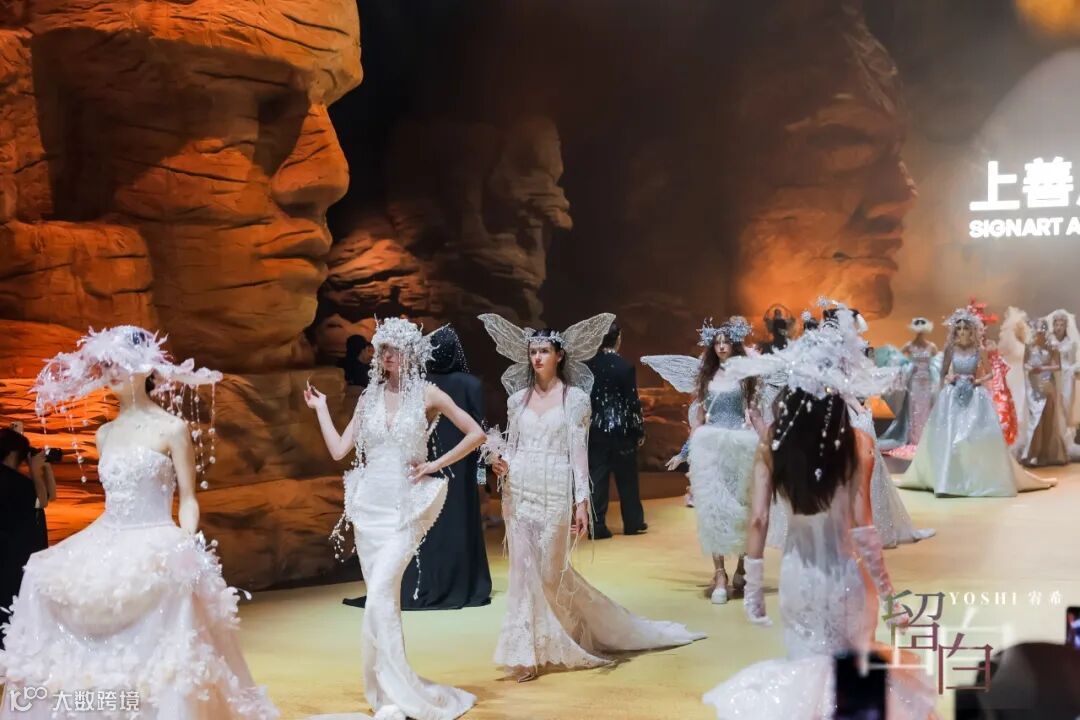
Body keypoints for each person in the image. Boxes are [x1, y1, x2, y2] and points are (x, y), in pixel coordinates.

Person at [0, 326, 277, 719]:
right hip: (108, 533)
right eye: (105, 365)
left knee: (164, 631)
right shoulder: (104, 434)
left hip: (155, 534)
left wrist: (186, 542)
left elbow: (189, 499)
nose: (110, 372)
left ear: (145, 367)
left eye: (120, 363)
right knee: (41, 573)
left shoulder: (172, 428)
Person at [703, 306, 936, 720]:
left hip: (798, 577)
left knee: (805, 668)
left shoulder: (772, 444)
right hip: (845, 576)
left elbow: (758, 520)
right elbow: (864, 528)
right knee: (853, 675)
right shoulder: (857, 444)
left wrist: (754, 589)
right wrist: (889, 596)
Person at [479, 312, 704, 683]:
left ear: (559, 355)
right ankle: (525, 653)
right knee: (522, 573)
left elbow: (578, 453)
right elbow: (513, 445)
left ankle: (586, 628)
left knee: (551, 572)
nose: (537, 357)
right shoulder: (517, 400)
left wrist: (582, 501)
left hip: (555, 487)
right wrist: (500, 462)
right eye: (533, 351)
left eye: (544, 351)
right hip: (519, 490)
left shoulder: (576, 399)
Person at [306, 317, 483, 720]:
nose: (388, 355)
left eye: (396, 348)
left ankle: (400, 690)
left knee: (380, 593)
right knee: (383, 600)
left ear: (411, 352)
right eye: (383, 348)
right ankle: (386, 693)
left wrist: (434, 464)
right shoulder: (368, 396)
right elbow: (339, 450)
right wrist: (321, 409)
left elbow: (475, 432)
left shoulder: (428, 393)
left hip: (405, 508)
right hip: (369, 508)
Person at [644, 316, 761, 604]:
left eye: (726, 342)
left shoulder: (746, 376)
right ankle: (720, 574)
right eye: (717, 342)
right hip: (711, 449)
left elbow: (755, 414)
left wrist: (771, 444)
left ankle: (741, 567)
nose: (721, 347)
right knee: (713, 510)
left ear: (734, 345)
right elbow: (698, 421)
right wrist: (683, 453)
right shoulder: (706, 378)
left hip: (740, 448)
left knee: (742, 508)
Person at [897, 308, 1056, 497]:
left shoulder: (979, 350)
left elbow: (990, 373)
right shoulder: (951, 349)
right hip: (953, 394)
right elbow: (943, 373)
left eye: (965, 328)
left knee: (975, 437)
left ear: (972, 330)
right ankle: (949, 479)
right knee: (951, 436)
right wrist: (949, 380)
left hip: (974, 394)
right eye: (959, 329)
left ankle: (976, 478)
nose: (962, 332)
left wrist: (977, 381)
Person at [585, 319, 647, 539]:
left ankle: (597, 525)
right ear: (618, 338)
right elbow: (632, 402)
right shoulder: (625, 367)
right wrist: (639, 429)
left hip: (595, 428)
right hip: (622, 429)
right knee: (627, 477)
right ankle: (633, 522)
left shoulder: (589, 367)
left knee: (597, 476)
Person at [0, 428, 44, 651]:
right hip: (11, 561)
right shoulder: (21, 485)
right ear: (14, 453)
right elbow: (43, 501)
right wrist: (37, 471)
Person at [878, 317, 939, 454]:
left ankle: (924, 438)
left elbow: (937, 363)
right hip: (914, 382)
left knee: (925, 410)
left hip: (927, 382)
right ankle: (913, 438)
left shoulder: (931, 346)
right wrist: (905, 369)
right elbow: (897, 359)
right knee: (913, 409)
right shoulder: (909, 346)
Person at [1017, 318, 1069, 467]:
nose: (1039, 334)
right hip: (1033, 387)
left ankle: (1045, 453)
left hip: (1047, 386)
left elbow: (1057, 366)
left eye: (1041, 332)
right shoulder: (1029, 346)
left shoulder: (1052, 346)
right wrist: (1031, 369)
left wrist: (1043, 368)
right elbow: (1025, 364)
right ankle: (1032, 452)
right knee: (1035, 420)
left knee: (1047, 420)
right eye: (1037, 332)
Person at [1044, 308, 1080, 454]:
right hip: (1052, 375)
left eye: (1061, 325)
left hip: (1066, 376)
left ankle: (1065, 440)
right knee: (1052, 406)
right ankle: (1052, 441)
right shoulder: (1049, 340)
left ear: (1066, 326)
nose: (1059, 327)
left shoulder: (1071, 342)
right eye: (1056, 324)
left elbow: (1075, 360)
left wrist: (1073, 369)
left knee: (1065, 405)